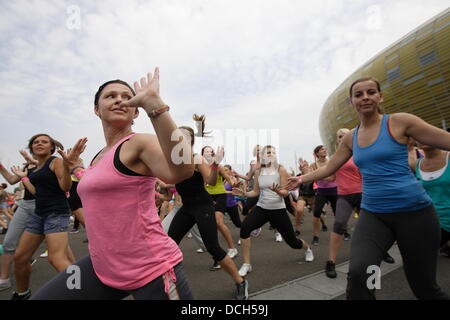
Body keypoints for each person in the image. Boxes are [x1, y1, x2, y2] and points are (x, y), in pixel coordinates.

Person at [31, 68, 195, 300]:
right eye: (111, 96)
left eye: (127, 97)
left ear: (136, 111)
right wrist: (76, 167)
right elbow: (93, 184)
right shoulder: (99, 155)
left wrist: (155, 105)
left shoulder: (139, 143)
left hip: (149, 267)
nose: (119, 99)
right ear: (96, 110)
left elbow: (182, 169)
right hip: (102, 266)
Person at [287, 77, 450, 300]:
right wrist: (301, 178)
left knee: (424, 287)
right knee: (359, 274)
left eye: (371, 92)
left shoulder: (401, 122)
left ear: (380, 96)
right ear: (351, 102)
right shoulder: (351, 138)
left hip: (415, 214)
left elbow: (446, 140)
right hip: (374, 215)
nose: (365, 97)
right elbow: (330, 167)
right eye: (358, 94)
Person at [167, 126, 248, 300]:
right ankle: (167, 282)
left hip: (203, 206)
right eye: (178, 135)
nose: (181, 138)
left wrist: (216, 163)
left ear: (191, 141)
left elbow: (210, 181)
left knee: (213, 247)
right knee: (168, 243)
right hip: (187, 207)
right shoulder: (173, 159)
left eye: (186, 136)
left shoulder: (196, 158)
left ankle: (240, 281)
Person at [10, 134, 75, 300]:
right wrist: (24, 177)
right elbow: (36, 193)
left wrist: (66, 167)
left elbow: (65, 186)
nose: (39, 144)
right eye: (35, 142)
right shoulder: (36, 169)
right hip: (39, 214)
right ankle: (23, 294)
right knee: (20, 257)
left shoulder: (56, 162)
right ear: (31, 148)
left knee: (56, 258)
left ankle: (82, 291)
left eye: (44, 142)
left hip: (56, 213)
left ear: (51, 147)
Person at [233, 145, 314, 277]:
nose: (271, 154)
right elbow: (256, 192)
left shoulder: (280, 169)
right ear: (263, 156)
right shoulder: (258, 172)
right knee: (245, 228)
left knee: (293, 242)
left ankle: (307, 248)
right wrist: (244, 194)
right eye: (269, 152)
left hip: (278, 210)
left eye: (274, 152)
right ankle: (246, 264)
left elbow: (285, 192)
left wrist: (278, 191)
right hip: (262, 208)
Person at [412, 142, 449, 258]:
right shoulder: (416, 165)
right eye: (420, 137)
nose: (424, 140)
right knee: (419, 254)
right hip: (434, 221)